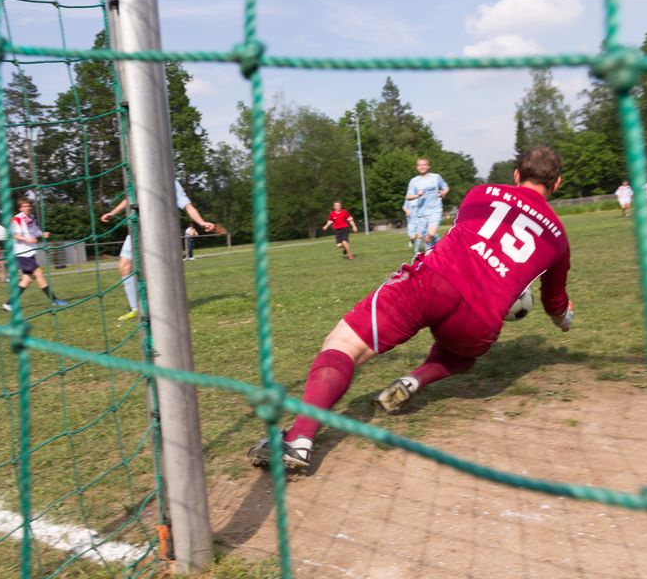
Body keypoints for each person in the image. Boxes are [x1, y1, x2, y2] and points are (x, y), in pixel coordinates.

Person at [248, 146, 573, 471]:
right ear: (556, 183)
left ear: (516, 174)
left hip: (433, 282)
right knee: (461, 354)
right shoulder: (558, 238)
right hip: (482, 318)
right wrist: (564, 319)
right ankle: (416, 379)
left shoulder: (481, 193)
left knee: (344, 344)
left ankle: (299, 440)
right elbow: (554, 302)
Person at [101, 180, 214, 321]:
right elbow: (129, 199)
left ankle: (166, 305)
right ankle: (135, 308)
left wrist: (202, 222)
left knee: (158, 270)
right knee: (123, 266)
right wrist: (112, 213)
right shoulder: (138, 178)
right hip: (136, 230)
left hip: (158, 232)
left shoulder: (171, 182)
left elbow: (187, 206)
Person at [2, 199, 68, 311]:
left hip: (30, 252)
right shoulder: (17, 219)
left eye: (29, 206)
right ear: (20, 208)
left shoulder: (32, 217)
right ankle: (54, 300)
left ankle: (9, 304)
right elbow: (15, 235)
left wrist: (43, 234)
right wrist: (27, 239)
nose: (27, 208)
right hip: (21, 253)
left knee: (27, 279)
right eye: (24, 206)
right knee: (39, 273)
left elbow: (35, 231)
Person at [405, 158, 448, 251]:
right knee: (424, 239)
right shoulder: (414, 181)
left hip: (435, 210)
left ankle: (438, 248)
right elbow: (408, 197)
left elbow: (445, 187)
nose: (422, 167)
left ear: (428, 166)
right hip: (421, 214)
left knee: (431, 234)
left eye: (424, 165)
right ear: (417, 167)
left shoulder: (436, 177)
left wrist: (443, 192)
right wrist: (417, 195)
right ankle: (437, 250)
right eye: (420, 165)